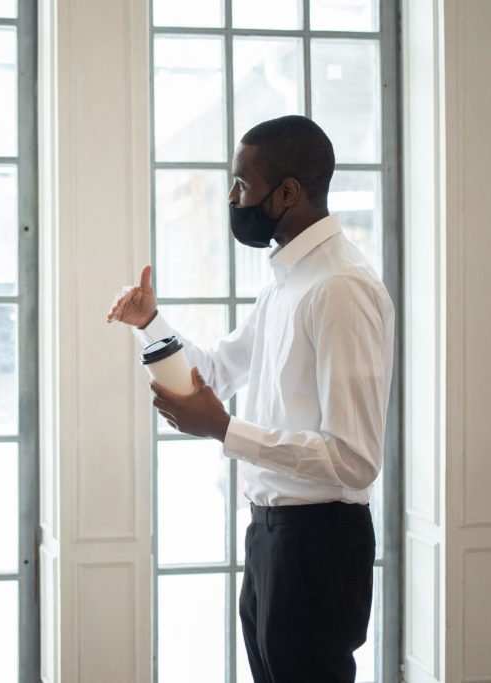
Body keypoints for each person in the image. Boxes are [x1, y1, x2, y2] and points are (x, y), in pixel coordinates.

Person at [108, 115, 394, 682]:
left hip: (318, 542)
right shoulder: (287, 282)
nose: (231, 198)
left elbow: (354, 457)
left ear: (287, 192)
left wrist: (224, 431)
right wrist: (151, 324)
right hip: (270, 534)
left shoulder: (340, 288)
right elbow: (216, 369)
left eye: (240, 184)